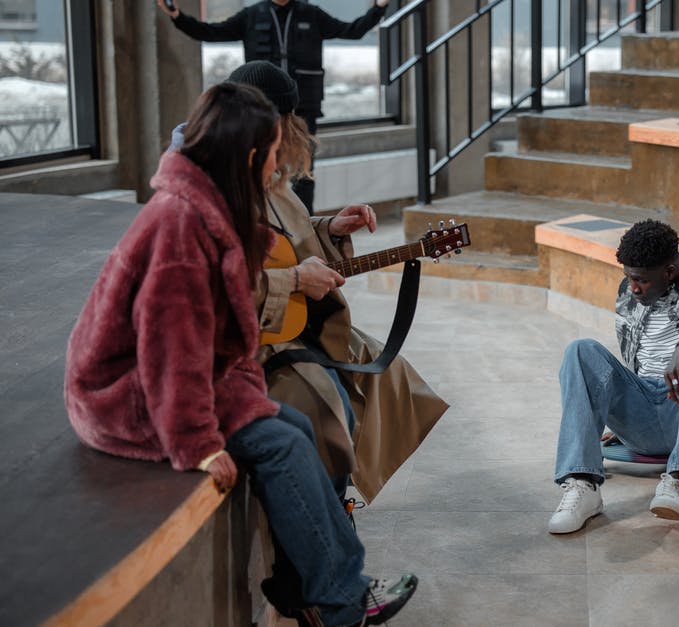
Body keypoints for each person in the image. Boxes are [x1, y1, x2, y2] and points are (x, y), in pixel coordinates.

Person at [63, 82, 415, 627]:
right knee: (284, 443)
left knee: (294, 427)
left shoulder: (210, 203)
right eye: (273, 152)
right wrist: (196, 444)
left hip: (197, 374)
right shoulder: (182, 223)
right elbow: (168, 349)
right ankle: (343, 604)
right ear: (250, 155)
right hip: (127, 395)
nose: (279, 163)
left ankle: (314, 589)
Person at [224, 60, 448, 506]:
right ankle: (328, 509)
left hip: (296, 326)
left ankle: (339, 494)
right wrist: (292, 279)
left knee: (392, 376)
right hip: (254, 346)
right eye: (286, 123)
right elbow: (221, 281)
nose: (293, 135)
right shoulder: (221, 188)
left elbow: (286, 238)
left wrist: (329, 230)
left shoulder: (269, 177)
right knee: (331, 408)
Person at [549, 220, 679, 534]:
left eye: (642, 280)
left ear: (669, 271)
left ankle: (676, 480)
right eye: (629, 278)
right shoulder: (628, 291)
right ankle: (583, 485)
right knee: (580, 350)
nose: (633, 288)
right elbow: (633, 368)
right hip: (645, 413)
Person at [157, 0, 391, 213]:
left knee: (304, 172)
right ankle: (261, 220)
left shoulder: (311, 14)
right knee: (256, 171)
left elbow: (353, 30)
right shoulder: (251, 15)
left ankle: (303, 223)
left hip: (301, 108)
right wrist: (178, 16)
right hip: (255, 114)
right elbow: (210, 32)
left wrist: (379, 7)